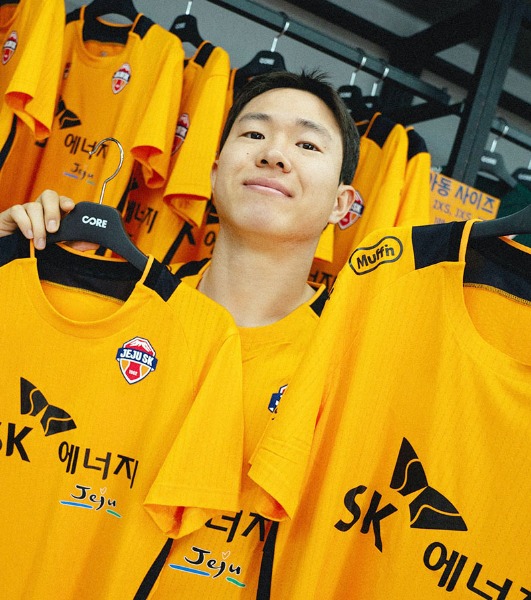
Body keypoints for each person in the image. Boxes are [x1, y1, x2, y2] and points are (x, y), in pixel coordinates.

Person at [0, 70, 361, 597]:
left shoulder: (350, 367)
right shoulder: (113, 311)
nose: (274, 155)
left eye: (307, 144)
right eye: (254, 133)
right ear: (213, 172)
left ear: (342, 205)